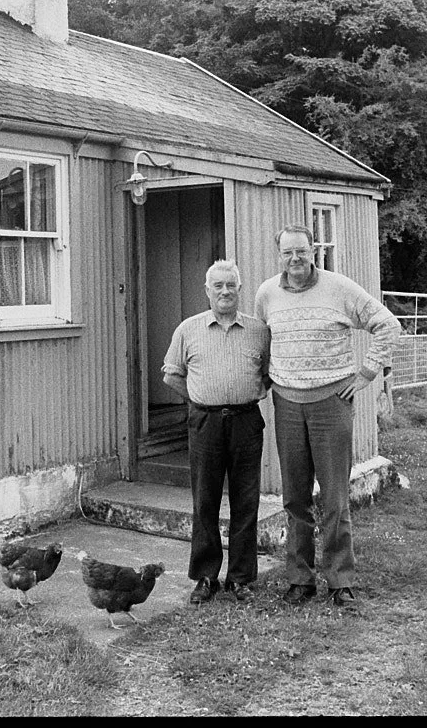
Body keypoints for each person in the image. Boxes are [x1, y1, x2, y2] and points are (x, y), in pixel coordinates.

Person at [253, 223, 401, 608]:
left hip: (330, 405)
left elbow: (387, 324)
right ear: (279, 255)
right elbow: (263, 342)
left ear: (314, 250)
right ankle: (300, 580)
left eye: (301, 251)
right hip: (286, 405)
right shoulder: (266, 294)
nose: (295, 259)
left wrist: (367, 372)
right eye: (287, 253)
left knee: (335, 497)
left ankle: (341, 581)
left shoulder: (340, 288)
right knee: (294, 498)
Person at [162, 259, 272, 605]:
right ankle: (206, 577)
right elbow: (171, 375)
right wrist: (198, 400)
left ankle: (240, 578)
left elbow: (269, 374)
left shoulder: (258, 331)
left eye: (231, 286)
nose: (225, 292)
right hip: (205, 423)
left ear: (240, 290)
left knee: (246, 499)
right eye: (218, 286)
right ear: (207, 291)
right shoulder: (188, 329)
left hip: (246, 421)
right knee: (205, 500)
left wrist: (246, 392)